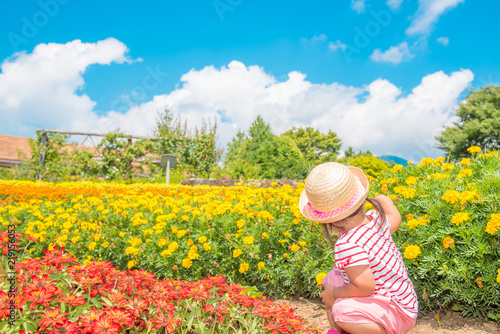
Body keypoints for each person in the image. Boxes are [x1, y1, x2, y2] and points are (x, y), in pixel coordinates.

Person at [298, 162, 418, 334]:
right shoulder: (377, 219)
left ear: (328, 223)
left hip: (395, 312)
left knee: (342, 311)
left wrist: (334, 295)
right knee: (332, 278)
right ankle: (338, 331)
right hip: (404, 301)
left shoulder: (347, 244)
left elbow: (365, 287)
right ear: (361, 202)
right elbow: (396, 218)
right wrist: (383, 200)